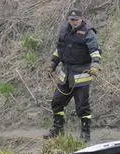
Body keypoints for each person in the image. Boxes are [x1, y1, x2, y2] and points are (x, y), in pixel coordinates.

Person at [43, 8, 101, 143]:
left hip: (82, 74)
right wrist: (52, 64)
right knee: (56, 102)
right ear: (68, 19)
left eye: (76, 19)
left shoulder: (88, 31)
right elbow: (59, 50)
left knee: (82, 107)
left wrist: (95, 66)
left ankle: (85, 135)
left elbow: (95, 51)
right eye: (71, 19)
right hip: (66, 73)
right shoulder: (64, 30)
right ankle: (58, 130)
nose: (73, 22)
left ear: (81, 19)